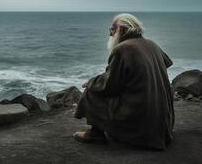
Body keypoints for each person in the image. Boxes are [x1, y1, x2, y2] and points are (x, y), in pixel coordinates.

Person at [73, 13, 175, 150]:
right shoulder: (151, 44)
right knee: (99, 86)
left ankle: (95, 134)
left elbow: (110, 86)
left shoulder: (123, 49)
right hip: (161, 123)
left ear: (124, 30)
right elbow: (166, 63)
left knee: (91, 92)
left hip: (142, 118)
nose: (110, 33)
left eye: (113, 28)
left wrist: (91, 82)